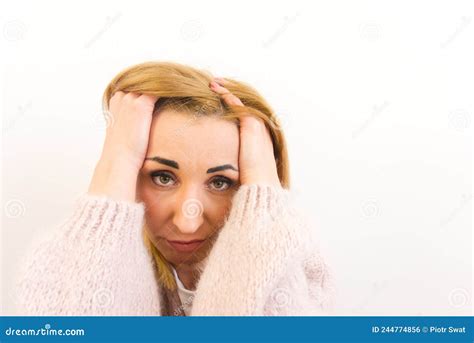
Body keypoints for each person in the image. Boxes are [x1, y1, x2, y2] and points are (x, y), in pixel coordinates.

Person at [15, 61, 337, 316]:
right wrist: (118, 159)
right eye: (163, 177)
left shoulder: (302, 272)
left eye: (221, 182)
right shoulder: (66, 265)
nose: (188, 221)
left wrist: (265, 206)